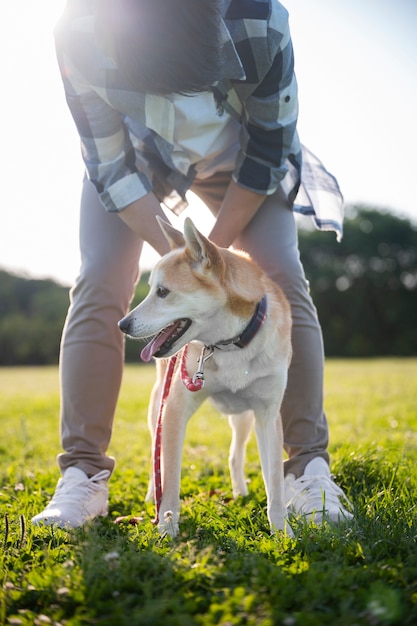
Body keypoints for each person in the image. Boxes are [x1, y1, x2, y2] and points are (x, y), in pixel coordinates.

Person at [32, 0, 352, 529]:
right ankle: (83, 475)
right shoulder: (81, 28)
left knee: (283, 278)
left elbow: (267, 150)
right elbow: (108, 168)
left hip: (241, 159)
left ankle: (307, 468)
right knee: (98, 283)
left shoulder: (260, 20)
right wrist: (180, 264)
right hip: (136, 162)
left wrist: (210, 262)